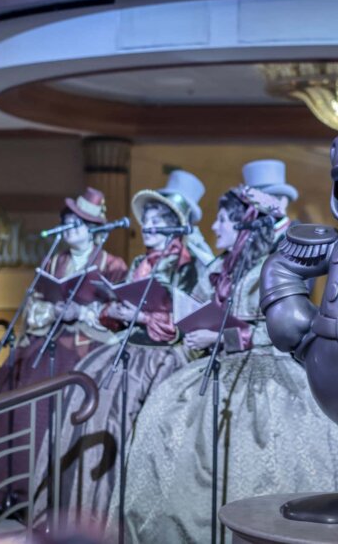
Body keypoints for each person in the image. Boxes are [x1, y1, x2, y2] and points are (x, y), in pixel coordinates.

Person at [118, 179, 338, 543]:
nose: (213, 227)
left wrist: (224, 334)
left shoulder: (276, 266)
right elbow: (195, 304)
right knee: (164, 419)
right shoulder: (224, 268)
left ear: (243, 225)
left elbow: (291, 329)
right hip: (217, 368)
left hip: (269, 372)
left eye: (222, 220)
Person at [32, 170, 211, 527]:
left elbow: (186, 323)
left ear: (176, 227)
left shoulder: (189, 269)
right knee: (84, 401)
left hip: (163, 358)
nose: (148, 228)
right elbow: (117, 309)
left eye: (157, 222)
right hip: (124, 349)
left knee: (132, 421)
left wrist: (142, 317)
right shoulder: (138, 264)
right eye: (145, 222)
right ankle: (82, 508)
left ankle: (128, 514)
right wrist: (113, 309)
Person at [0, 188, 128, 515]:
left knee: (64, 396)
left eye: (79, 223)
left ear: (94, 228)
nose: (71, 229)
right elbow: (34, 306)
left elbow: (120, 311)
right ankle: (11, 489)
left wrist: (82, 313)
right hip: (48, 340)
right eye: (67, 223)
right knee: (17, 382)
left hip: (91, 345)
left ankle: (61, 494)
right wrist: (52, 311)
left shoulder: (112, 264)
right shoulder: (55, 260)